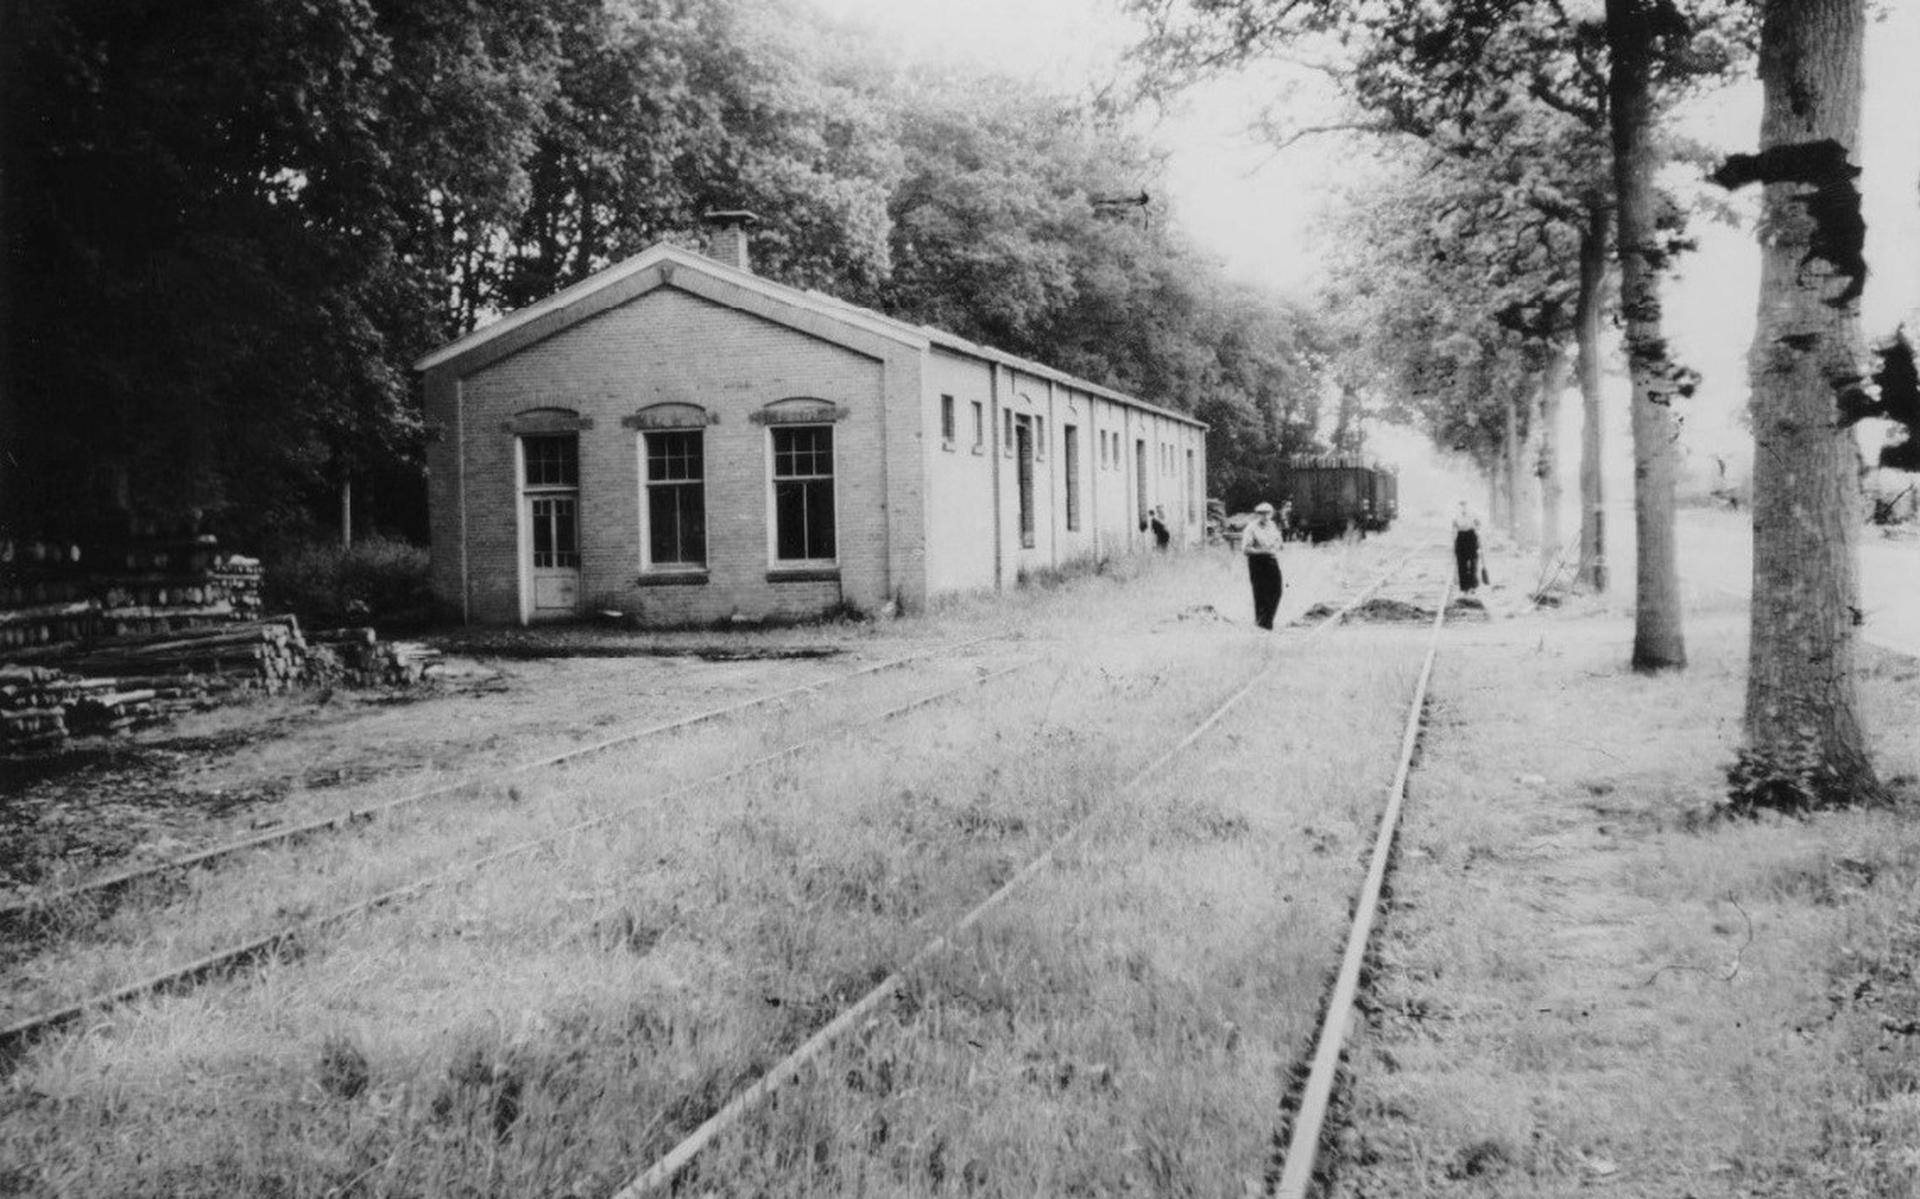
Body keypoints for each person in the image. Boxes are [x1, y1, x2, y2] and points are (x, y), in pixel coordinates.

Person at [1243, 501, 1284, 629]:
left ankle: (1267, 621)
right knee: (1260, 593)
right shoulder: (1251, 528)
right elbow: (1246, 549)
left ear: (1271, 514)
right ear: (1257, 514)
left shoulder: (1272, 526)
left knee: (1276, 591)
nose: (1264, 516)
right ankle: (1262, 624)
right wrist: (1263, 551)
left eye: (1267, 513)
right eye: (1261, 514)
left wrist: (1277, 547)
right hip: (1257, 562)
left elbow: (1279, 543)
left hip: (1271, 561)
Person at [1452, 500, 1481, 594]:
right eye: (1461, 504)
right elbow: (1454, 527)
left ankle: (1473, 585)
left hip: (1471, 537)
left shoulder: (1473, 514)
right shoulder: (1456, 515)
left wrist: (1477, 534)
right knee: (1461, 563)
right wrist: (1454, 541)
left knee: (1473, 562)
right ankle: (1464, 587)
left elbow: (1478, 524)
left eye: (1465, 504)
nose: (1463, 506)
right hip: (1461, 537)